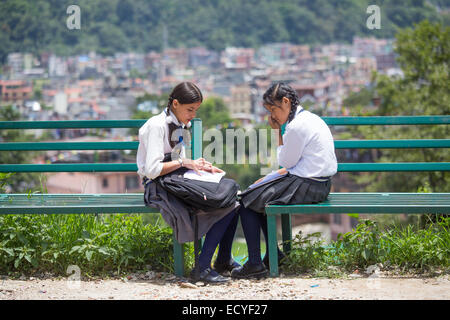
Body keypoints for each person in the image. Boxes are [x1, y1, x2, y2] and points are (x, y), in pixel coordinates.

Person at [231, 82, 338, 279]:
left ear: (286, 102)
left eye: (273, 109)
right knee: (258, 197)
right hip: (320, 184)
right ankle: (274, 256)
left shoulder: (295, 126)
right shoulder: (311, 118)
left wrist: (277, 131)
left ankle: (255, 263)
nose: (272, 116)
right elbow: (297, 163)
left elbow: (286, 161)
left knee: (246, 202)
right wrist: (271, 178)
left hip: (307, 185)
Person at [137, 82, 241, 283]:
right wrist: (185, 163)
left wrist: (200, 166)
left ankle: (222, 260)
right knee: (225, 205)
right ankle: (202, 268)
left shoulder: (182, 125)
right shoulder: (156, 126)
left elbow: (180, 161)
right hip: (158, 186)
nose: (193, 115)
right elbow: (152, 170)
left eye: (196, 110)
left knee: (234, 199)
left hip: (174, 181)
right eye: (190, 109)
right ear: (175, 103)